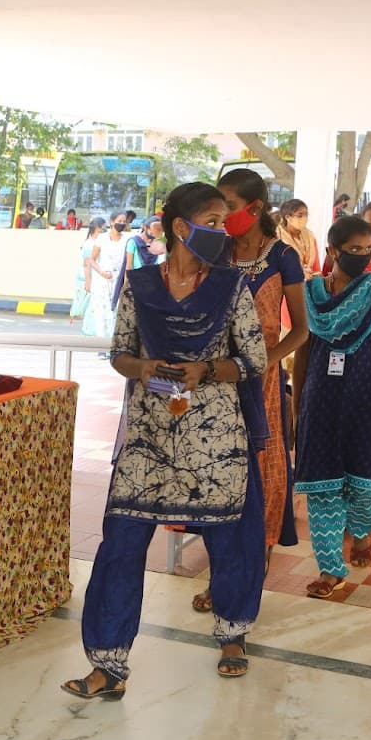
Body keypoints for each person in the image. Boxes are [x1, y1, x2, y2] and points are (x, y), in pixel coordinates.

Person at [61, 182, 268, 693]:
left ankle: (232, 635)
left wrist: (208, 370)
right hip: (149, 435)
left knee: (231, 537)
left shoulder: (232, 286)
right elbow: (119, 353)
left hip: (214, 436)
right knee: (122, 543)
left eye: (225, 222)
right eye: (215, 222)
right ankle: (107, 664)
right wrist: (145, 367)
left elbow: (255, 360)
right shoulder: (139, 284)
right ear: (181, 227)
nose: (224, 232)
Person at [194, 168, 306, 611]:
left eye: (229, 206)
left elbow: (301, 330)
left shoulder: (282, 256)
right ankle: (221, 576)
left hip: (262, 384)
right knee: (219, 475)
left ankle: (247, 580)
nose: (222, 215)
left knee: (262, 475)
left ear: (255, 208)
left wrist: (265, 362)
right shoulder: (214, 250)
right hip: (216, 379)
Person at [292, 217, 371, 597]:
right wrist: (298, 408)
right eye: (353, 249)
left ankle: (359, 535)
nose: (361, 256)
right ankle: (330, 570)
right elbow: (303, 352)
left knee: (364, 490)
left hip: (367, 401)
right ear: (332, 251)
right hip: (320, 401)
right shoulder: (310, 294)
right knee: (322, 487)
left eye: (366, 249)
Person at [83, 210, 128, 338]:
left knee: (116, 312)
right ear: (112, 222)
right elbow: (91, 260)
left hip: (118, 280)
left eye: (124, 222)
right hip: (102, 280)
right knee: (101, 312)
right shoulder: (102, 239)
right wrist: (102, 273)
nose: (121, 224)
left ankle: (113, 344)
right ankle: (101, 344)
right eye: (119, 221)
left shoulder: (127, 240)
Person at [71, 217, 105, 325]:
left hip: (94, 275)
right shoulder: (89, 244)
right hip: (89, 276)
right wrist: (88, 281)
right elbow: (87, 264)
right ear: (97, 229)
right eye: (103, 228)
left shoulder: (97, 242)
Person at [276, 199, 322, 279]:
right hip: (286, 283)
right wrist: (300, 273)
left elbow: (316, 266)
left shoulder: (309, 236)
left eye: (306, 215)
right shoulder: (277, 237)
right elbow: (276, 266)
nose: (304, 218)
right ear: (288, 218)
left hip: (309, 281)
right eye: (300, 215)